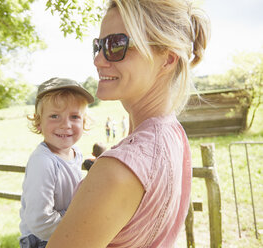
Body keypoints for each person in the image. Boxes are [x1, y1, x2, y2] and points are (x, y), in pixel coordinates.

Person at [47, 0, 210, 247]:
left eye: (117, 45)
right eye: (98, 46)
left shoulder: (117, 170)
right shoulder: (172, 134)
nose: (98, 60)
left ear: (167, 59)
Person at [19, 77, 94, 248]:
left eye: (74, 116)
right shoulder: (43, 162)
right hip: (43, 240)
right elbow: (40, 221)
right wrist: (78, 230)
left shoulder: (76, 153)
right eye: (54, 116)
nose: (66, 124)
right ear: (38, 122)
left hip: (63, 232)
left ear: (84, 123)